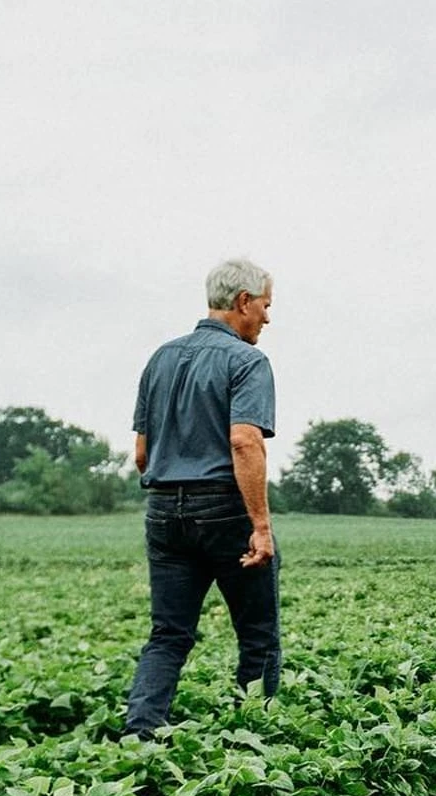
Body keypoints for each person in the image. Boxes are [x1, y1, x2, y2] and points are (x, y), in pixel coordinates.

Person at [123, 258, 280, 738]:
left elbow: (142, 454)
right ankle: (252, 739)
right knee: (258, 637)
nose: (268, 319)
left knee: (168, 635)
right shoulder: (247, 361)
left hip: (164, 511)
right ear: (243, 302)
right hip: (224, 508)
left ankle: (139, 736)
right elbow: (244, 441)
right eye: (266, 306)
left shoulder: (161, 358)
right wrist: (260, 526)